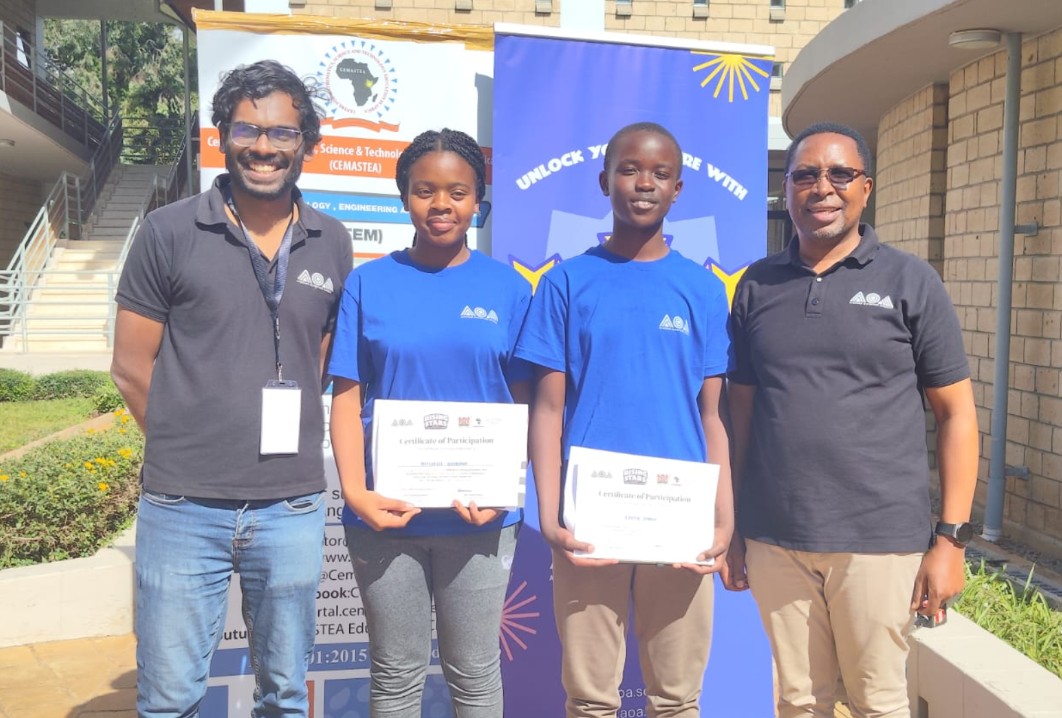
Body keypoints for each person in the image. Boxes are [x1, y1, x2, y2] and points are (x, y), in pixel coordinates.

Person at [110, 60, 352, 717]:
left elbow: (320, 355)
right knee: (168, 698)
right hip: (183, 505)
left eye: (282, 133)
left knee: (284, 695)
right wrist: (191, 447)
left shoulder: (332, 242)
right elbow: (132, 366)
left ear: (305, 143)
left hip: (291, 508)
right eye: (247, 129)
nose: (264, 147)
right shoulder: (168, 233)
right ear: (220, 135)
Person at [724, 121, 979, 718]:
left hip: (879, 540)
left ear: (867, 188)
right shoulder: (757, 287)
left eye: (841, 174)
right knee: (797, 700)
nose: (823, 188)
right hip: (776, 537)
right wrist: (734, 526)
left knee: (878, 701)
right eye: (806, 175)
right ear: (785, 190)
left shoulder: (911, 281)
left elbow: (957, 414)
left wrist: (951, 540)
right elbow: (741, 416)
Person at [515, 121, 733, 718]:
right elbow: (548, 410)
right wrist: (553, 518)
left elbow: (713, 418)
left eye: (660, 174)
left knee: (677, 699)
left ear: (679, 189)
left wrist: (723, 520)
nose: (644, 183)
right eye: (630, 169)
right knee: (589, 699)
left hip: (681, 519)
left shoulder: (703, 290)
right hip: (591, 520)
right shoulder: (565, 282)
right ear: (604, 179)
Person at [328, 128, 531, 718]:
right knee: (395, 676)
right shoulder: (369, 283)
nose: (441, 204)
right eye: (424, 190)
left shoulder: (509, 289)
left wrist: (502, 489)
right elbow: (346, 395)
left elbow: (524, 403)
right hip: (386, 517)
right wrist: (356, 493)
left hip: (480, 520)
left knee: (474, 676)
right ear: (403, 197)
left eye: (458, 192)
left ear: (477, 201)